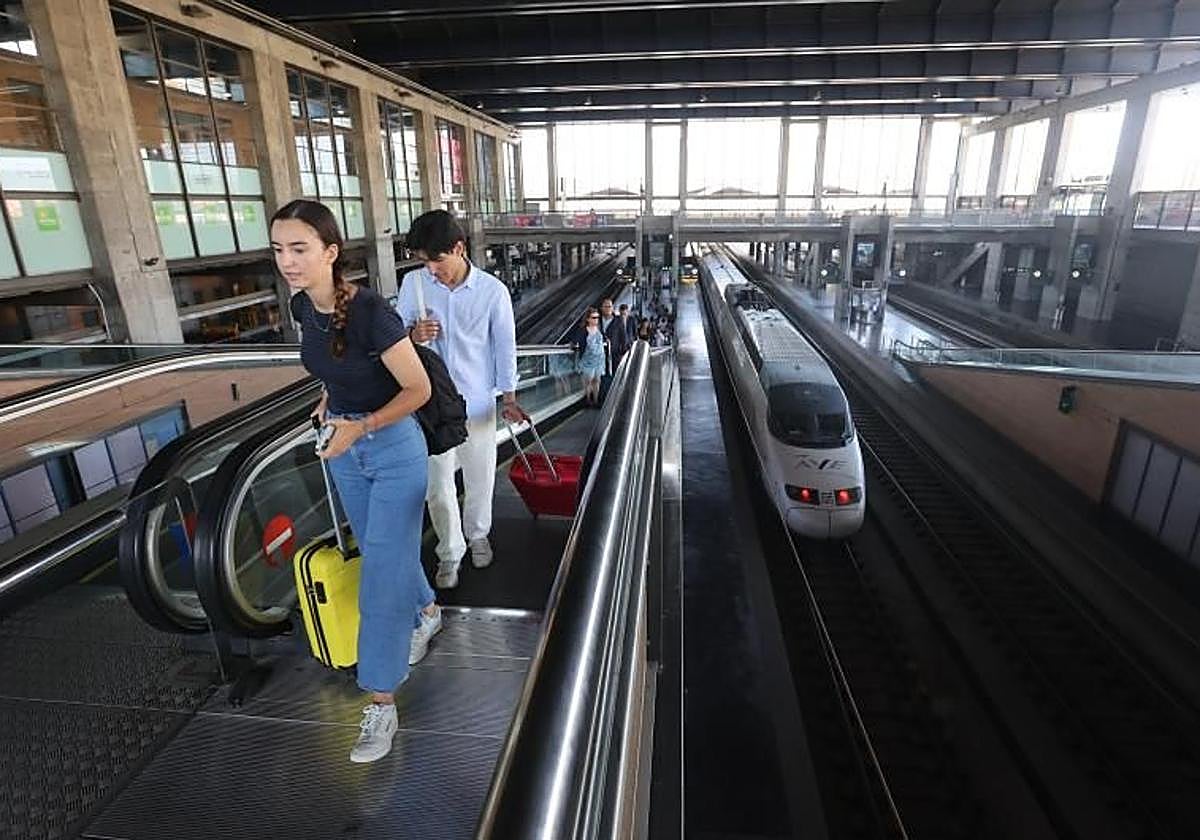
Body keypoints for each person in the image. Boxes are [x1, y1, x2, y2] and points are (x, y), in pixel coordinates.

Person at [273, 199, 438, 765]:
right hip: (344, 450)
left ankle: (381, 699)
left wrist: (361, 426)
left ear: (330, 252)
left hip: (393, 451)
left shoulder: (371, 313)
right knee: (380, 550)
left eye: (300, 249)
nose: (288, 261)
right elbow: (335, 366)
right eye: (279, 250)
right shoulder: (303, 306)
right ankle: (428, 611)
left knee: (380, 580)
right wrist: (330, 399)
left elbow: (418, 390)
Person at [396, 210, 525, 590]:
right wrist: (412, 335)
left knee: (480, 475)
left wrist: (509, 397)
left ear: (458, 248)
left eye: (436, 260)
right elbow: (393, 338)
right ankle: (450, 551)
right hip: (431, 405)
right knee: (437, 485)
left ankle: (478, 533)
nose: (430, 269)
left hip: (477, 401)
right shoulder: (414, 285)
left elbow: (504, 346)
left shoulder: (492, 291)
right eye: (423, 261)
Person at [574, 307, 606, 407]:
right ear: (588, 319)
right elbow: (576, 341)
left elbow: (603, 339)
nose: (596, 319)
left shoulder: (599, 329)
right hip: (588, 360)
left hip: (599, 359)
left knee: (597, 380)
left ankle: (596, 400)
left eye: (597, 317)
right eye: (594, 317)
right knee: (588, 380)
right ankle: (588, 400)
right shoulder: (583, 330)